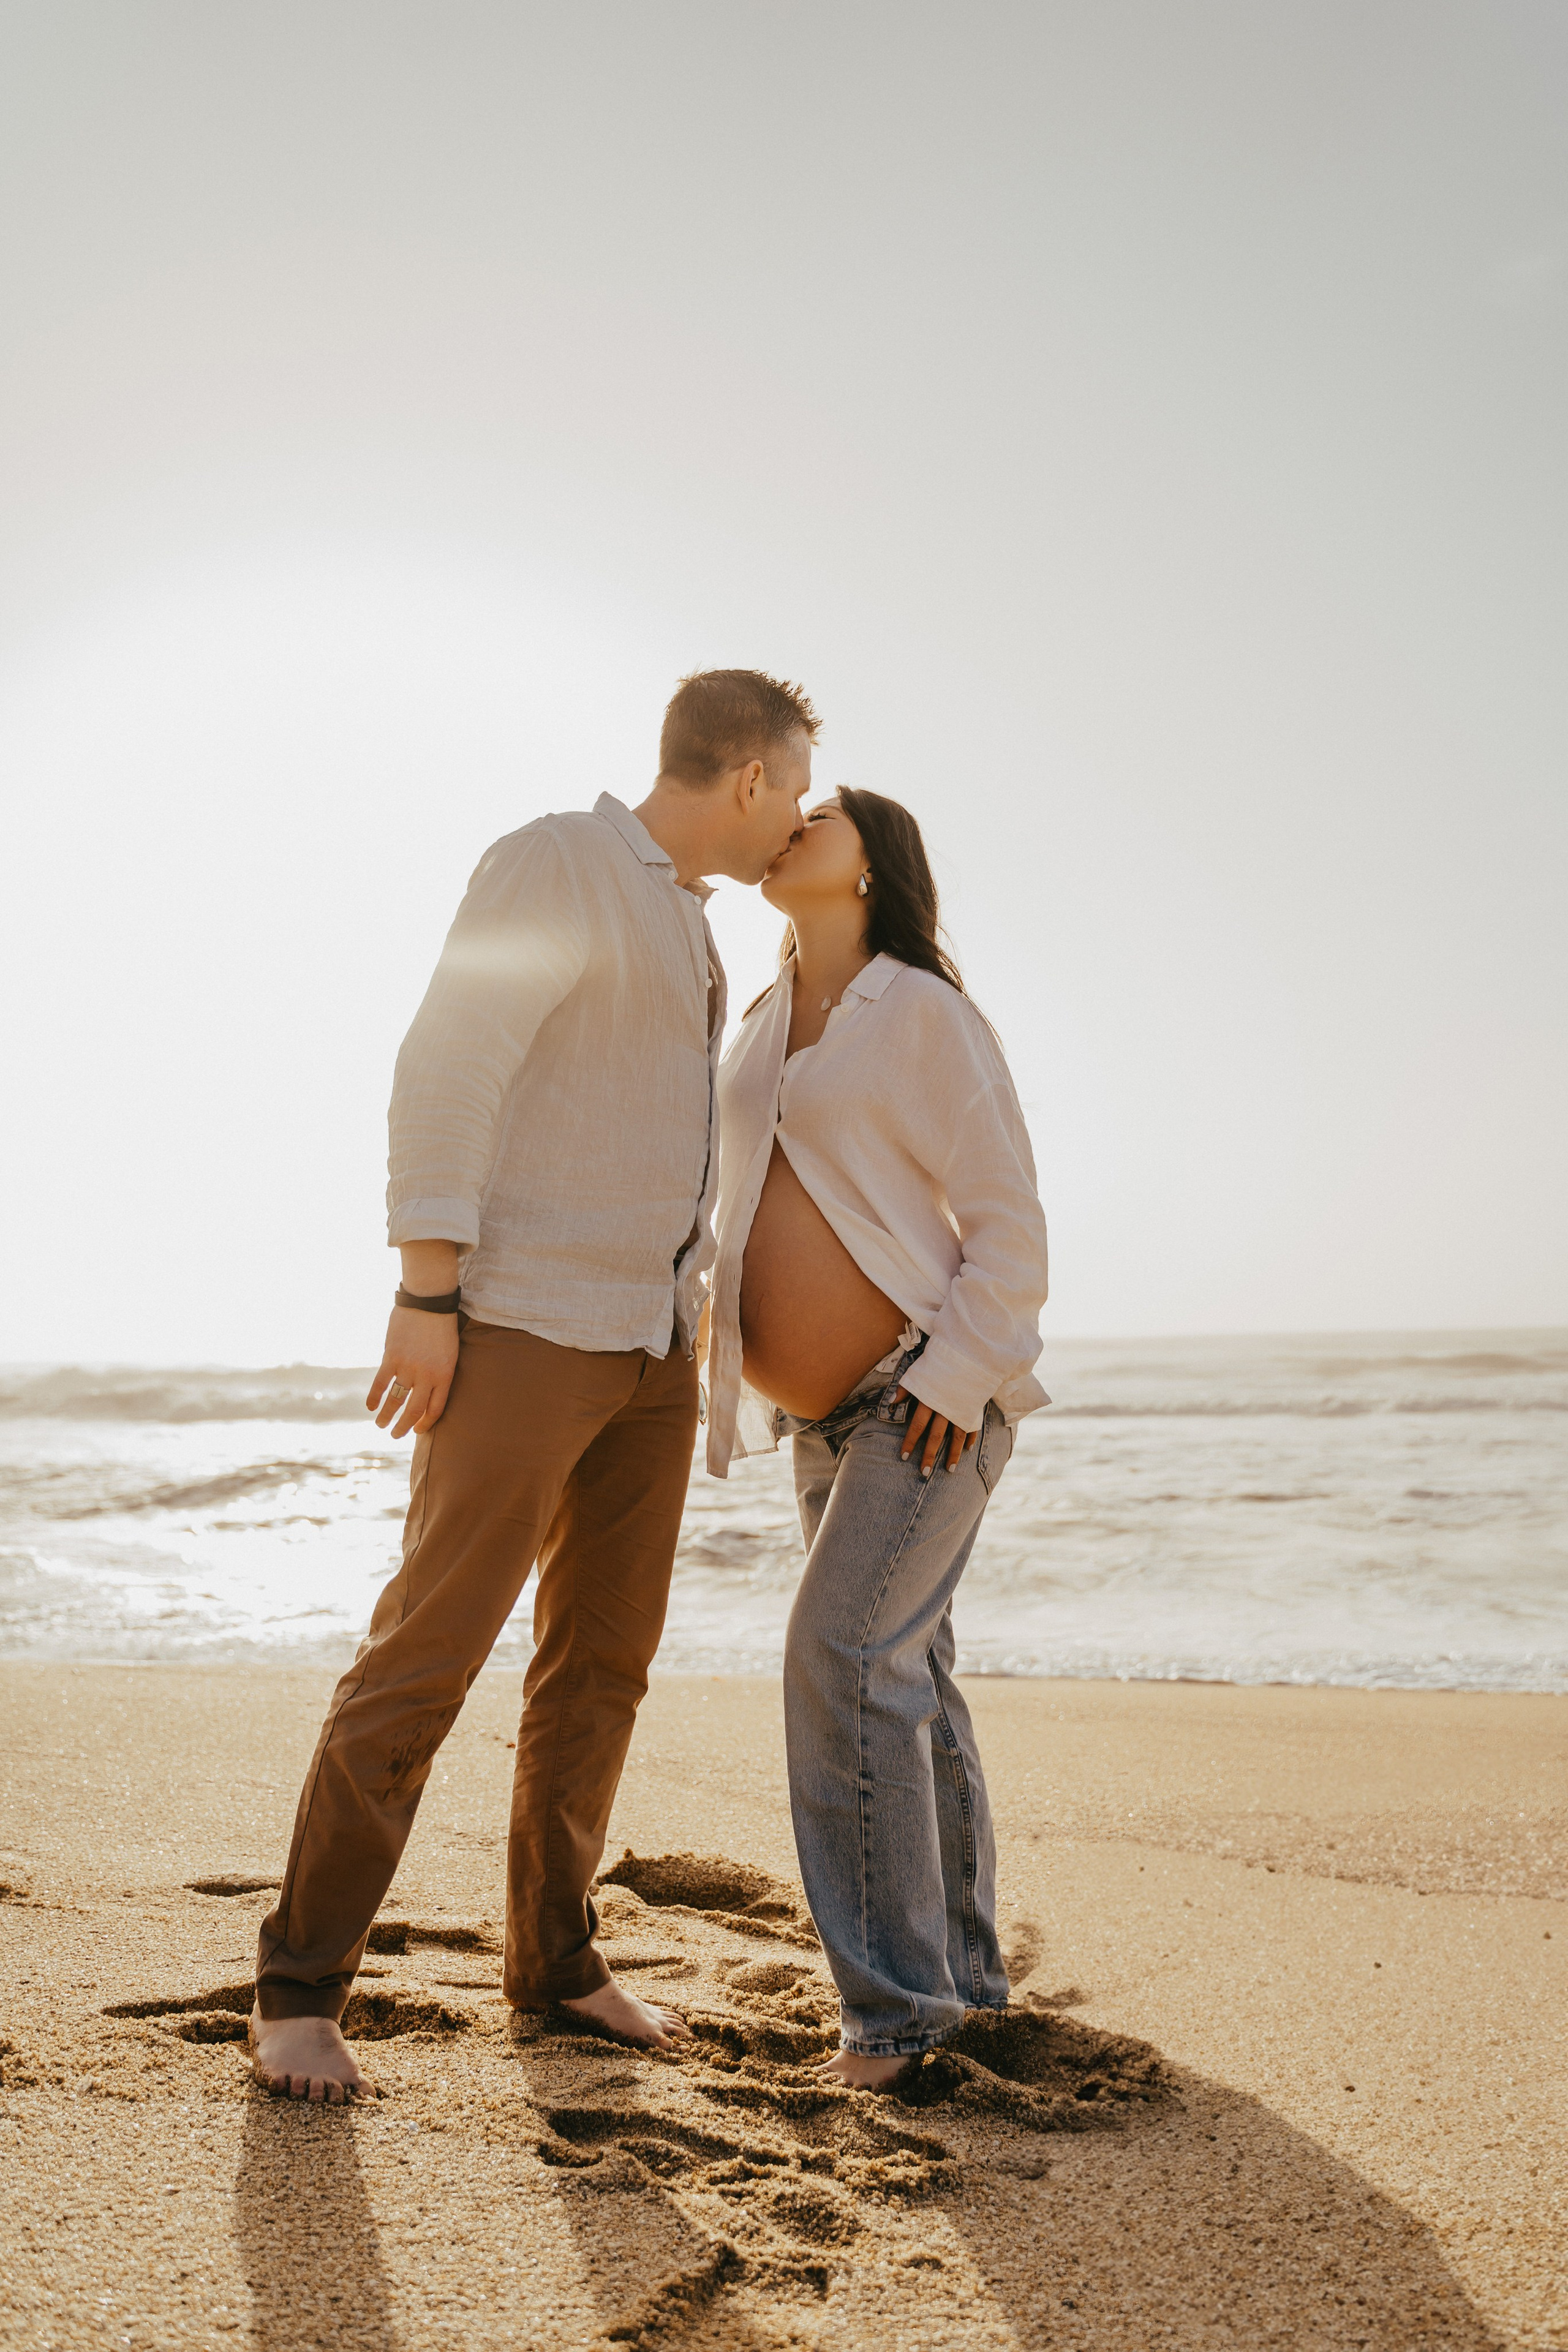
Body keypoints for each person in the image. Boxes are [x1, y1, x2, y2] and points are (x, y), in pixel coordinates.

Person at [250, 669, 818, 2101]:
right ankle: (300, 1987)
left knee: (600, 1667)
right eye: (794, 788)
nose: (797, 820)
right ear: (746, 773)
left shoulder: (687, 927)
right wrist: (425, 1293)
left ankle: (553, 1964)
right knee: (426, 1655)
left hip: (643, 1354)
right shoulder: (556, 860)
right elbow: (447, 1065)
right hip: (516, 1329)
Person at [705, 787, 1049, 2088]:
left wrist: (954, 1377)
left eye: (824, 813)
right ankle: (962, 1980)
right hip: (817, 1418)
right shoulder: (751, 1025)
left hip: (923, 1398)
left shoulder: (920, 1012)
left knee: (842, 1656)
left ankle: (898, 2024)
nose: (792, 819)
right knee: (908, 1682)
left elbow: (1009, 1227)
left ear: (871, 867)